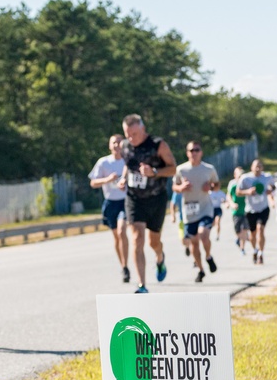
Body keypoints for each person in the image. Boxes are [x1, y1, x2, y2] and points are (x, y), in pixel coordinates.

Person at [117, 114, 176, 293]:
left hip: (156, 198)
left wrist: (154, 172)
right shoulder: (125, 146)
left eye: (134, 134)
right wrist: (123, 178)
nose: (130, 138)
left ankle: (160, 257)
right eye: (127, 134)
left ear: (142, 129)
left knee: (153, 242)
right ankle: (142, 284)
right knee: (137, 238)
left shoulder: (158, 145)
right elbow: (129, 164)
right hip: (134, 199)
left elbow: (173, 168)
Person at [172, 141, 219, 282]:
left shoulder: (208, 169)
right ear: (187, 153)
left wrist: (211, 187)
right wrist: (181, 188)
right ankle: (201, 270)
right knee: (193, 243)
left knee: (203, 234)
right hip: (189, 211)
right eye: (191, 150)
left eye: (196, 150)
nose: (194, 153)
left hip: (205, 208)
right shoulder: (181, 169)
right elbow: (174, 187)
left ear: (201, 152)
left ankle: (208, 256)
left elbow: (217, 185)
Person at [88, 134, 130, 282]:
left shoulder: (127, 160)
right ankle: (123, 265)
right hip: (110, 202)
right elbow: (93, 183)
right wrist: (107, 179)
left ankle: (126, 266)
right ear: (109, 145)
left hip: (125, 201)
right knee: (116, 236)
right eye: (114, 143)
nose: (116, 145)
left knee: (122, 230)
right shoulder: (103, 162)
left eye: (119, 142)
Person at [236, 159, 276, 265]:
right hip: (250, 210)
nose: (258, 169)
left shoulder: (267, 177)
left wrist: (270, 190)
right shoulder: (245, 178)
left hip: (263, 208)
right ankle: (255, 250)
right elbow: (238, 192)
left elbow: (273, 186)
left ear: (262, 168)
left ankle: (261, 253)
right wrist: (248, 192)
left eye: (260, 166)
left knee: (260, 230)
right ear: (251, 167)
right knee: (253, 234)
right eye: (256, 166)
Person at [225, 166, 249, 256]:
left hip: (245, 210)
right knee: (238, 230)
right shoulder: (233, 184)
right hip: (236, 211)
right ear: (235, 176)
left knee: (245, 229)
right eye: (239, 176)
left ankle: (242, 248)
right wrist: (231, 204)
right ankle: (238, 239)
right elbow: (229, 196)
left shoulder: (246, 184)